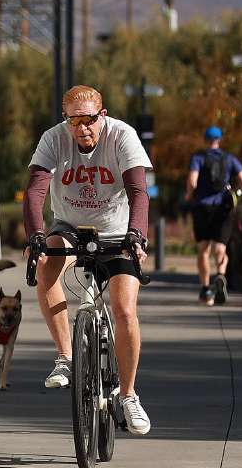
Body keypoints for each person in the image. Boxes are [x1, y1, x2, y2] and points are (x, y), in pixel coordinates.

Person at [23, 85, 154, 434]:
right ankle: (65, 357)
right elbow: (35, 190)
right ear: (65, 120)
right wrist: (34, 236)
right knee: (47, 261)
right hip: (70, 227)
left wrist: (137, 235)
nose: (82, 128)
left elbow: (139, 191)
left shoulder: (122, 136)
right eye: (74, 120)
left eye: (89, 120)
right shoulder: (52, 139)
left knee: (125, 308)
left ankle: (128, 395)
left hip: (117, 232)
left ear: (103, 115)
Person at [184, 126, 242, 306]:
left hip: (202, 207)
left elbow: (192, 181)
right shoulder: (230, 159)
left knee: (203, 250)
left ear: (206, 140)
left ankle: (205, 290)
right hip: (224, 208)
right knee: (220, 248)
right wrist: (233, 192)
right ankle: (220, 274)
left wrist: (189, 194)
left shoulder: (198, 158)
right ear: (219, 140)